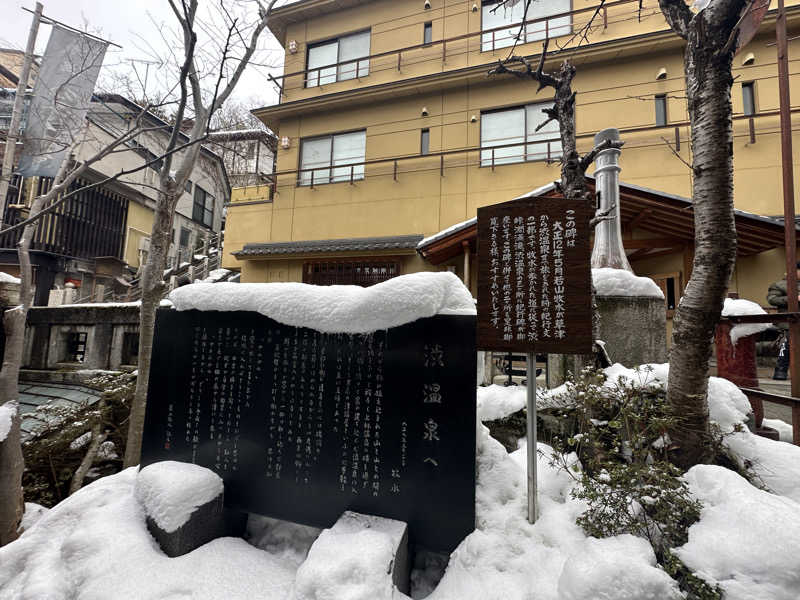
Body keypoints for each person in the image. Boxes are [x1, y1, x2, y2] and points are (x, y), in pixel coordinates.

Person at [767, 261, 800, 380]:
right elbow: (772, 299)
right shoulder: (780, 285)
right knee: (786, 346)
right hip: (788, 321)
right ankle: (780, 371)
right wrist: (794, 299)